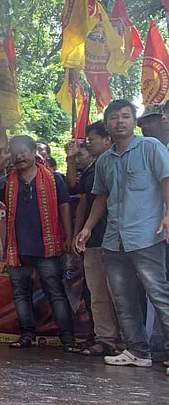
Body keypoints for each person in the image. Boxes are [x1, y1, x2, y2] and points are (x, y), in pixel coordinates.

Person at [76, 99, 169, 375]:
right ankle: (137, 351)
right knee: (123, 297)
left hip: (147, 235)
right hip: (114, 239)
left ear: (134, 121)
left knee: (159, 293)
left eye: (126, 116)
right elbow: (101, 197)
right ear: (107, 125)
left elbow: (167, 180)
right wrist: (88, 227)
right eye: (114, 118)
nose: (120, 122)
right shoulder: (104, 160)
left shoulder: (150, 147)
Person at [0, 135, 79, 352]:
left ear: (32, 151)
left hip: (48, 246)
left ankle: (68, 339)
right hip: (17, 248)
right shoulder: (6, 180)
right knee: (20, 293)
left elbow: (65, 206)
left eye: (23, 151)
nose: (19, 157)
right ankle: (26, 335)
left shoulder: (54, 179)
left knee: (55, 292)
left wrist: (68, 235)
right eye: (14, 153)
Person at [71, 122, 121, 356]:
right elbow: (84, 200)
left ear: (107, 139)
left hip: (117, 238)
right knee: (97, 294)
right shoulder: (92, 170)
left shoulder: (117, 163)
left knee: (120, 293)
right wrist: (81, 230)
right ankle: (105, 339)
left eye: (92, 139)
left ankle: (130, 342)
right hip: (93, 239)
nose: (88, 143)